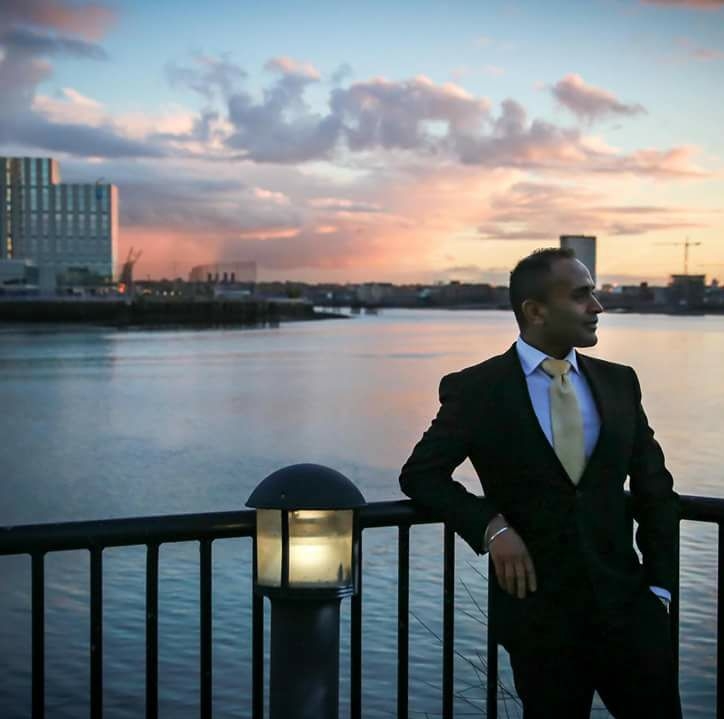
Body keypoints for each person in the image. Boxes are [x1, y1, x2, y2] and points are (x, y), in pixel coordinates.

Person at [399, 247, 681, 718]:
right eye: (581, 295)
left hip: (631, 614)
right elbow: (421, 476)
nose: (597, 307)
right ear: (535, 311)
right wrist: (492, 528)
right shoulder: (478, 389)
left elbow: (656, 492)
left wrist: (660, 592)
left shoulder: (620, 383)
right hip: (540, 623)